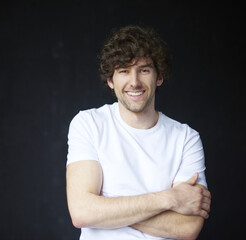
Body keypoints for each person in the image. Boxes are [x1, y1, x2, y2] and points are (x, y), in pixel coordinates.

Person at [66, 25, 211, 240]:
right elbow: (82, 212)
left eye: (144, 70)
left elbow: (187, 228)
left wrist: (106, 206)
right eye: (123, 71)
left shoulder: (186, 138)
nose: (134, 82)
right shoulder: (88, 124)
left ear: (158, 77)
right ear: (110, 80)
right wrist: (170, 199)